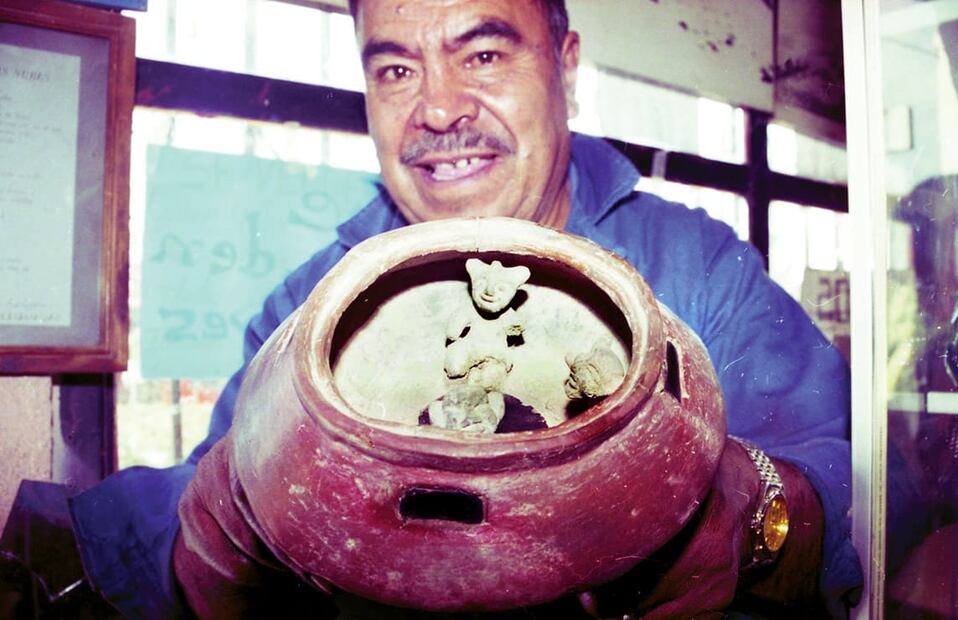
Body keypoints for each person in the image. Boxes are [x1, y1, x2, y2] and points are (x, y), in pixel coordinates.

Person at [66, 0, 862, 617]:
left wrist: (752, 509)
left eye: (482, 54)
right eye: (396, 71)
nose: (439, 111)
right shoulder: (305, 307)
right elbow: (196, 552)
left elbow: (862, 486)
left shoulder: (698, 266)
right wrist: (223, 540)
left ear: (567, 67)